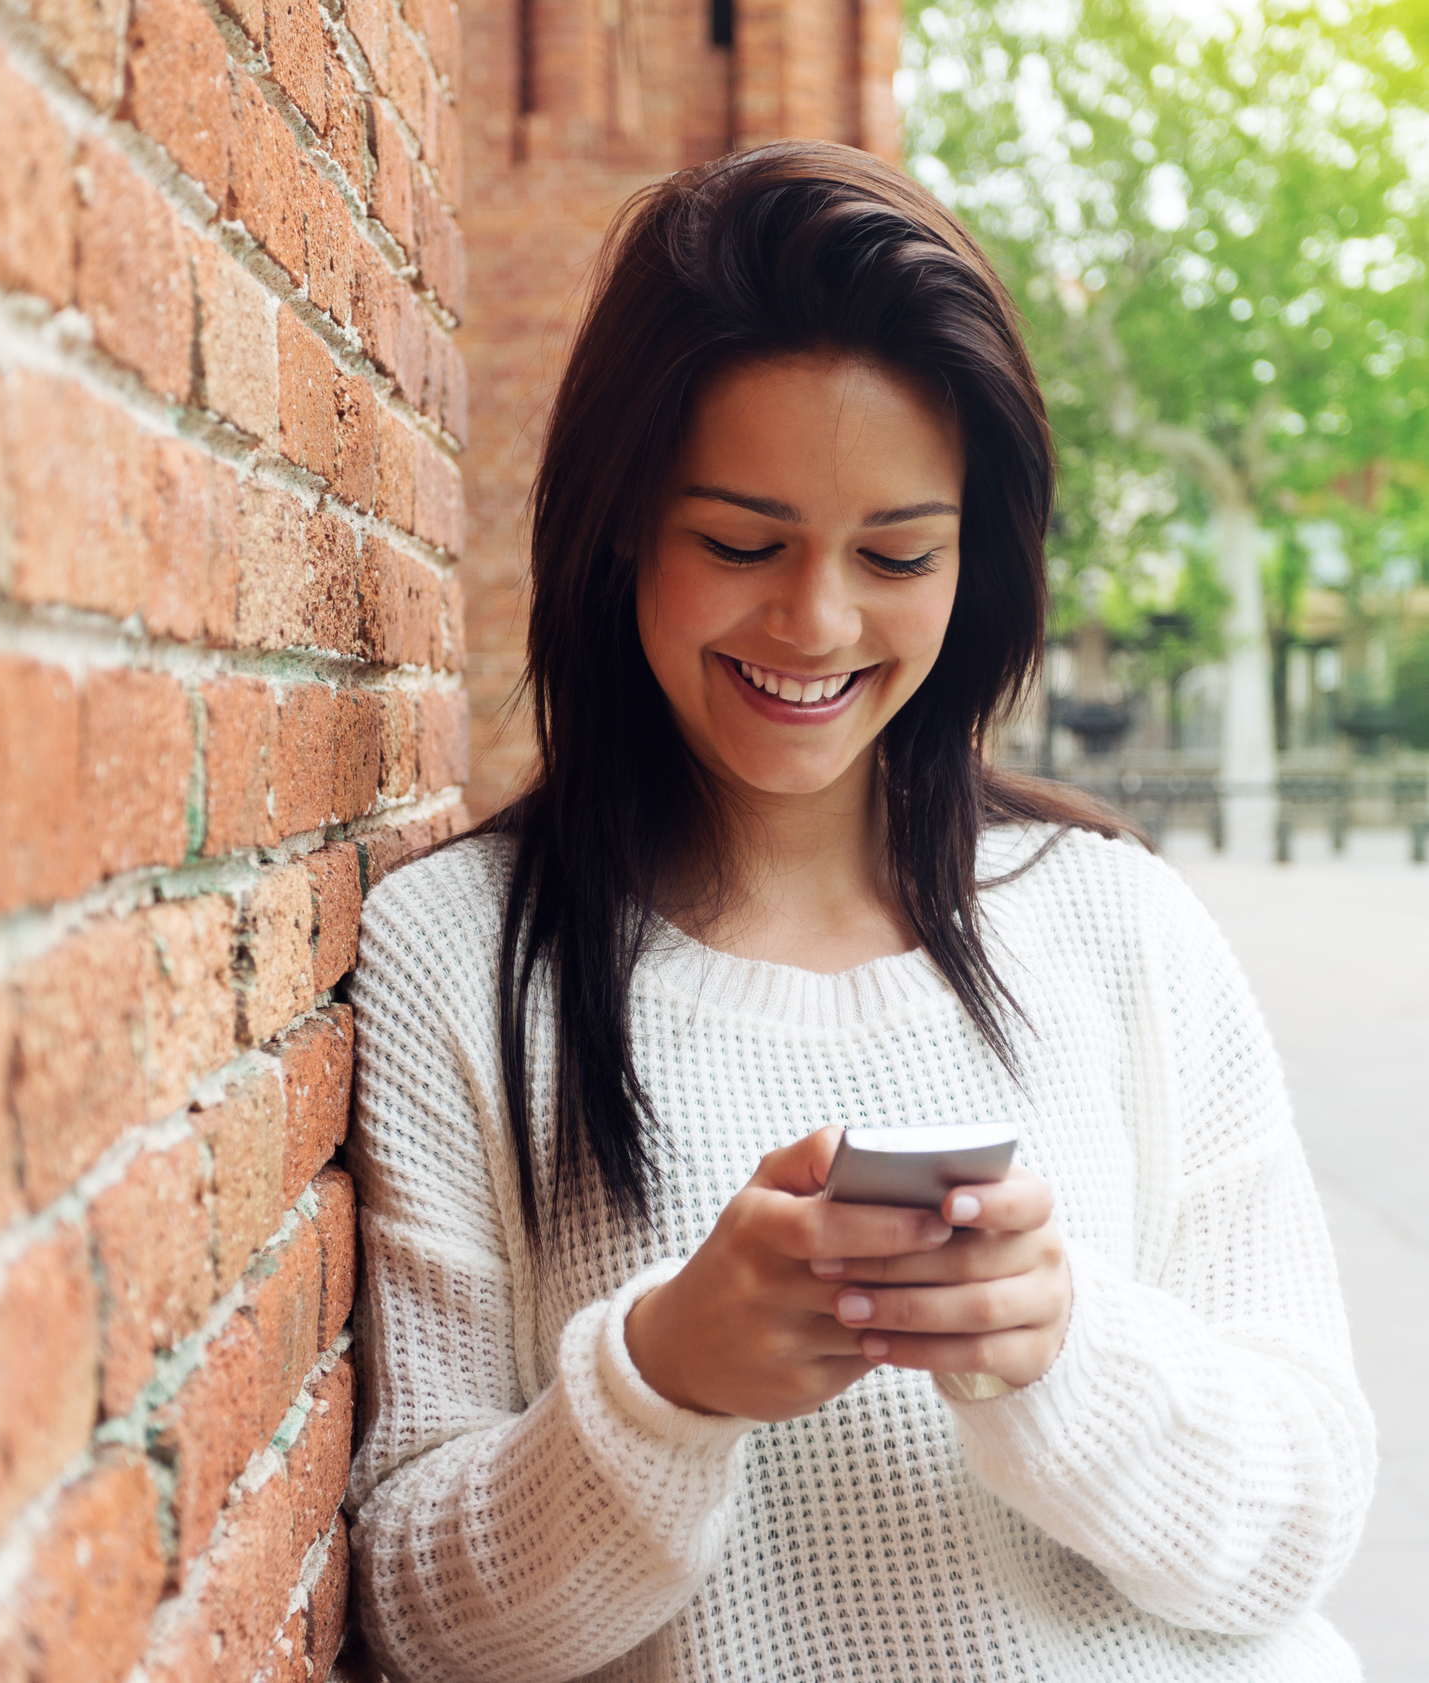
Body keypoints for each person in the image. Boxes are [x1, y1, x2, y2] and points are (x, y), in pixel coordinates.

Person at [341, 142, 1375, 1682]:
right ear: (621, 522)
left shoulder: (1114, 922)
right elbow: (421, 1618)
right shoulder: (459, 954)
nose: (813, 624)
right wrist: (659, 1383)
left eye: (897, 554)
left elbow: (1302, 1518)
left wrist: (1059, 1351)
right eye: (740, 544)